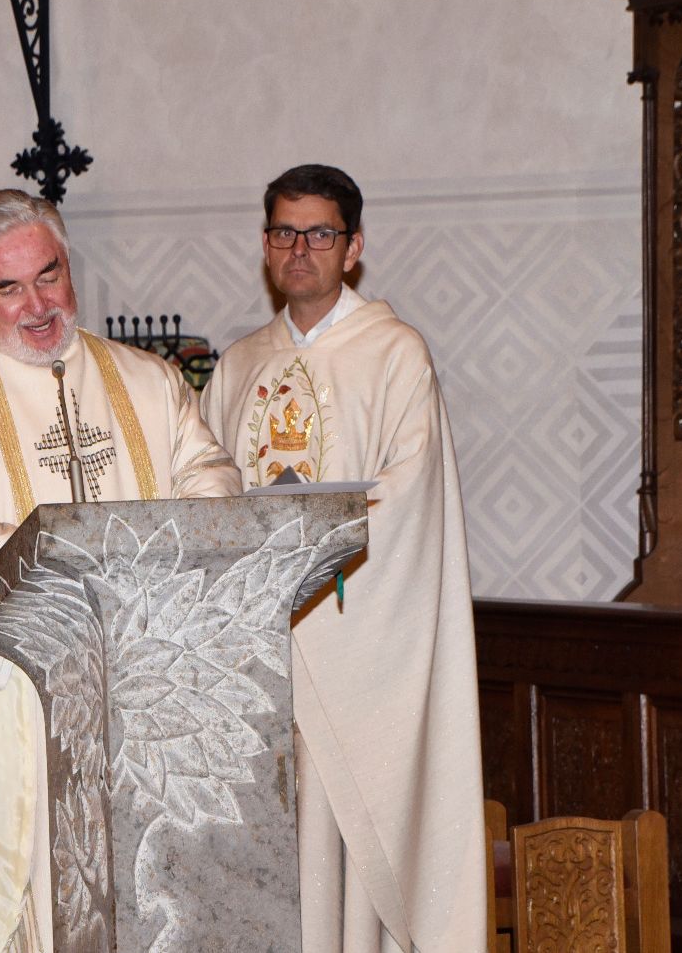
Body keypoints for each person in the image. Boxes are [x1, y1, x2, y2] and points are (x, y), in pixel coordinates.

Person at [0, 189, 240, 951]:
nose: (36, 304)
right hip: (7, 708)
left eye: (49, 274)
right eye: (8, 287)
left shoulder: (147, 381)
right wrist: (48, 555)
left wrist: (145, 553)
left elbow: (210, 481)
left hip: (143, 701)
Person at [200, 164, 487, 953]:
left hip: (354, 645)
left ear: (353, 247)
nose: (300, 249)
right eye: (283, 233)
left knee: (348, 839)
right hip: (260, 652)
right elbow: (204, 492)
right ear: (264, 247)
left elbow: (412, 490)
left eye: (319, 233)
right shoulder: (237, 365)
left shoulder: (395, 354)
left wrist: (296, 551)